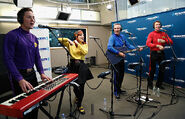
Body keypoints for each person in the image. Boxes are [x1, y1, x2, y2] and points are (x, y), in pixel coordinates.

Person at [3, 8, 52, 119]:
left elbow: (37, 57)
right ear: (21, 19)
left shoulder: (34, 38)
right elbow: (8, 59)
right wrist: (20, 79)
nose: (32, 20)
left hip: (32, 75)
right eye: (29, 17)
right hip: (18, 76)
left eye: (33, 17)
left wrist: (42, 73)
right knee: (23, 108)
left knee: (34, 104)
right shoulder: (12, 35)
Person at [58, 30, 93, 114]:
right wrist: (69, 40)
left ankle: (79, 105)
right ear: (76, 36)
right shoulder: (71, 43)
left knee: (81, 86)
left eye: (83, 35)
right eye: (80, 35)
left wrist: (77, 44)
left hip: (81, 66)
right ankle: (77, 97)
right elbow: (59, 39)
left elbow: (84, 52)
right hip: (72, 66)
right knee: (75, 86)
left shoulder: (84, 44)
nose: (83, 36)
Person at [107, 23, 143, 99]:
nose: (116, 29)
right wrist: (119, 53)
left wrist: (137, 48)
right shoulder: (112, 37)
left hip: (121, 59)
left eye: (118, 28)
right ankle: (116, 91)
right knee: (116, 76)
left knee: (121, 75)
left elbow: (129, 45)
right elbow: (109, 47)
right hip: (115, 59)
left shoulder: (123, 37)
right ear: (113, 29)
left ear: (121, 29)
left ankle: (119, 89)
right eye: (115, 28)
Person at [146, 20, 173, 90]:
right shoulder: (151, 34)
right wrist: (157, 45)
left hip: (161, 53)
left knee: (162, 69)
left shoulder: (164, 34)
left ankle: (159, 84)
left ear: (160, 26)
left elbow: (171, 42)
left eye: (159, 24)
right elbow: (148, 43)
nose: (157, 26)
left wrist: (164, 41)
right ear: (154, 26)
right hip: (154, 53)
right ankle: (150, 83)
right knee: (152, 69)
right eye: (156, 24)